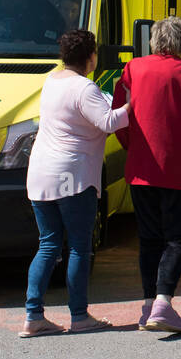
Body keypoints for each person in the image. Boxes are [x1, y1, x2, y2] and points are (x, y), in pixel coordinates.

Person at [21, 29, 129, 337]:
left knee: (48, 245)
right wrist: (134, 104)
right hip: (74, 178)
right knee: (80, 247)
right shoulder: (85, 88)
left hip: (41, 175)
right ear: (91, 57)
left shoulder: (51, 82)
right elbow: (109, 122)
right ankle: (79, 316)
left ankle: (33, 315)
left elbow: (76, 115)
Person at [114, 17, 181, 335]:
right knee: (179, 237)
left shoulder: (132, 70)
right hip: (178, 168)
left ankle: (147, 307)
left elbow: (120, 117)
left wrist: (133, 149)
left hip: (140, 170)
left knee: (149, 238)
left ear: (154, 40)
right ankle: (163, 303)